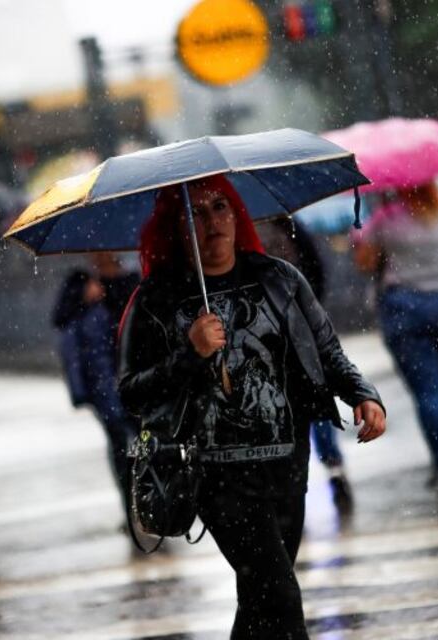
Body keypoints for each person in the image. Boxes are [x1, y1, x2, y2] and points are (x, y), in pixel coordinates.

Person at [118, 175, 386, 638]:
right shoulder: (155, 301)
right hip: (216, 475)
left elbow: (326, 350)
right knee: (280, 595)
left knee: (260, 598)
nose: (212, 221)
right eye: (195, 213)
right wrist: (189, 354)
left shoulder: (279, 279)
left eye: (220, 207)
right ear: (177, 228)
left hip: (286, 463)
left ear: (236, 214)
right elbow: (131, 393)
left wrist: (363, 393)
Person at [353, 183, 438, 491]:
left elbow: (365, 262)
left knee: (428, 391)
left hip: (406, 308)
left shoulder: (386, 218)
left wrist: (366, 238)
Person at [258, 217, 353, 511]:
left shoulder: (248, 229)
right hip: (289, 328)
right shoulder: (284, 221)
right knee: (311, 399)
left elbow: (312, 267)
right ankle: (330, 468)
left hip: (271, 331)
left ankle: (298, 478)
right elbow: (315, 268)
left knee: (288, 404)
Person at [53, 252, 141, 530]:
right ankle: (130, 507)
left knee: (145, 442)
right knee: (119, 446)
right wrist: (82, 296)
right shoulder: (80, 283)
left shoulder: (134, 281)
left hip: (137, 377)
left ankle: (154, 500)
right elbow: (59, 318)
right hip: (103, 384)